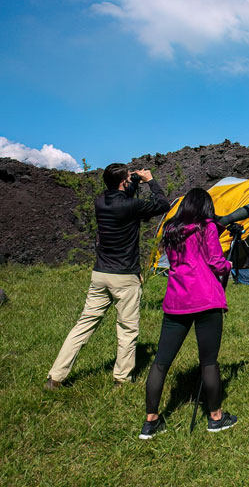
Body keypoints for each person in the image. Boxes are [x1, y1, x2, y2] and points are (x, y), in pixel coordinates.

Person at [46, 164, 171, 389]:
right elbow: (162, 204)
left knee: (84, 324)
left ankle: (56, 376)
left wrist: (130, 180)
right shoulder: (130, 206)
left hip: (100, 274)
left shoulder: (101, 201)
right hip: (124, 277)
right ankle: (121, 379)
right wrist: (150, 180)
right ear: (123, 182)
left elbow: (121, 194)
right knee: (127, 329)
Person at [138, 187, 237, 439]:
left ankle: (151, 422)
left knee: (161, 361)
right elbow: (216, 262)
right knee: (209, 361)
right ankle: (216, 417)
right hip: (206, 299)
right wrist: (229, 265)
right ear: (206, 208)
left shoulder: (170, 230)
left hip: (176, 300)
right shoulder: (207, 228)